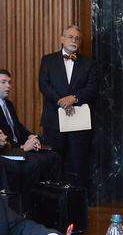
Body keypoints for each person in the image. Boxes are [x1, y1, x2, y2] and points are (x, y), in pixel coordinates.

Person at [0, 69, 62, 198]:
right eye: (3, 82)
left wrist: (31, 136)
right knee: (33, 164)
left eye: (9, 82)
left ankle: (53, 200)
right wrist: (22, 149)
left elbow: (18, 127)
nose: (8, 86)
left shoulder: (8, 104)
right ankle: (28, 204)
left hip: (19, 147)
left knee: (53, 156)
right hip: (5, 151)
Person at [38, 25, 101, 193]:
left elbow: (92, 88)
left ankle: (79, 200)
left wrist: (73, 98)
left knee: (79, 161)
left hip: (79, 122)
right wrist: (60, 100)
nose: (74, 40)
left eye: (78, 38)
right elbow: (44, 85)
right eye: (70, 37)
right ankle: (54, 198)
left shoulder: (89, 63)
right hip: (53, 120)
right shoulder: (48, 60)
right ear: (62, 39)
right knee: (54, 160)